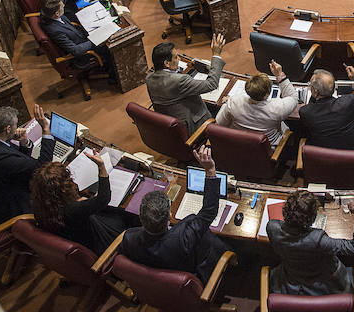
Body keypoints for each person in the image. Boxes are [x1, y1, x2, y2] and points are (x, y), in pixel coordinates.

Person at [119, 146, 227, 282]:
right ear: (170, 215)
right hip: (189, 279)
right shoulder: (183, 240)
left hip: (154, 286)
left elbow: (208, 213)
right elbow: (209, 211)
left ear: (141, 218)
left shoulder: (128, 238)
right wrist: (210, 171)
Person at [30, 148, 138, 254]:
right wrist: (101, 167)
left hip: (78, 237)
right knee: (125, 214)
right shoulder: (73, 210)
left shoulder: (41, 203)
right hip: (101, 243)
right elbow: (103, 199)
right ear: (62, 189)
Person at [267, 189, 354, 295]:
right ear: (313, 218)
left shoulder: (272, 228)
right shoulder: (319, 239)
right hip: (325, 285)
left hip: (291, 280)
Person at [0, 104, 56, 226]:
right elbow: (42, 167)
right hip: (13, 208)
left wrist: (24, 142)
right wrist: (45, 130)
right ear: (7, 129)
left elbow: (17, 158)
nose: (16, 128)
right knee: (55, 187)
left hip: (6, 186)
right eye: (16, 125)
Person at [145, 35, 225, 134]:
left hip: (172, 123)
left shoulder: (149, 78)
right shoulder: (180, 81)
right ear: (167, 63)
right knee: (224, 107)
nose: (179, 59)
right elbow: (211, 84)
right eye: (176, 57)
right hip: (194, 126)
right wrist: (216, 54)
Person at [298, 64, 354, 154]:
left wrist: (315, 94)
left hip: (324, 162)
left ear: (314, 91)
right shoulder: (347, 103)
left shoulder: (305, 112)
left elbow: (312, 107)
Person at [215, 60, 299, 148]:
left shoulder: (234, 101)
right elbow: (293, 97)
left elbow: (220, 123)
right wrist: (280, 75)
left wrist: (227, 103)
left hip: (238, 145)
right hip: (266, 150)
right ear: (267, 95)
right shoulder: (278, 107)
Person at [39, 0, 109, 70]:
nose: (64, 5)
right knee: (112, 42)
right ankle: (112, 75)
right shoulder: (55, 31)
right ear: (57, 14)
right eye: (62, 6)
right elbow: (75, 50)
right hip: (84, 53)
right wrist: (95, 40)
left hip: (82, 37)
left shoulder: (51, 15)